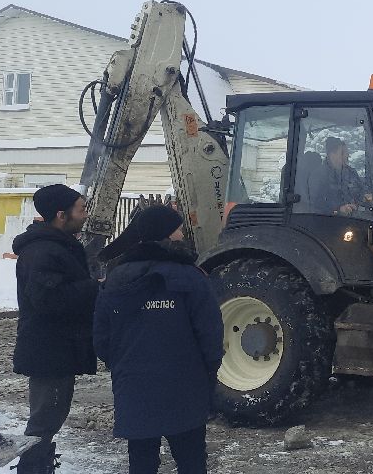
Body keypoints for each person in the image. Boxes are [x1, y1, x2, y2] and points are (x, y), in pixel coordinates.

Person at [93, 205, 224, 474]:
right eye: (177, 230)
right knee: (191, 460)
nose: (182, 234)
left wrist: (122, 364)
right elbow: (210, 333)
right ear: (165, 234)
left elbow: (102, 338)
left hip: (133, 383)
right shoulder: (190, 277)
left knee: (141, 459)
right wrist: (209, 369)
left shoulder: (116, 278)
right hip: (185, 383)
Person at [11, 184, 97, 474]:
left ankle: (38, 465)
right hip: (48, 350)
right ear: (62, 215)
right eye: (81, 209)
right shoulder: (43, 251)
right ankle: (32, 468)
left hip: (55, 348)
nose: (85, 215)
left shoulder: (57, 246)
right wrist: (94, 288)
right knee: (44, 419)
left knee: (50, 417)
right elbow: (48, 300)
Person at [309, 136, 370, 215]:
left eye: (347, 153)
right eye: (343, 153)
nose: (347, 156)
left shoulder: (351, 173)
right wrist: (339, 209)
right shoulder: (318, 176)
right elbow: (316, 205)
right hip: (330, 219)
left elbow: (361, 190)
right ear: (332, 154)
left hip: (356, 216)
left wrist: (365, 197)